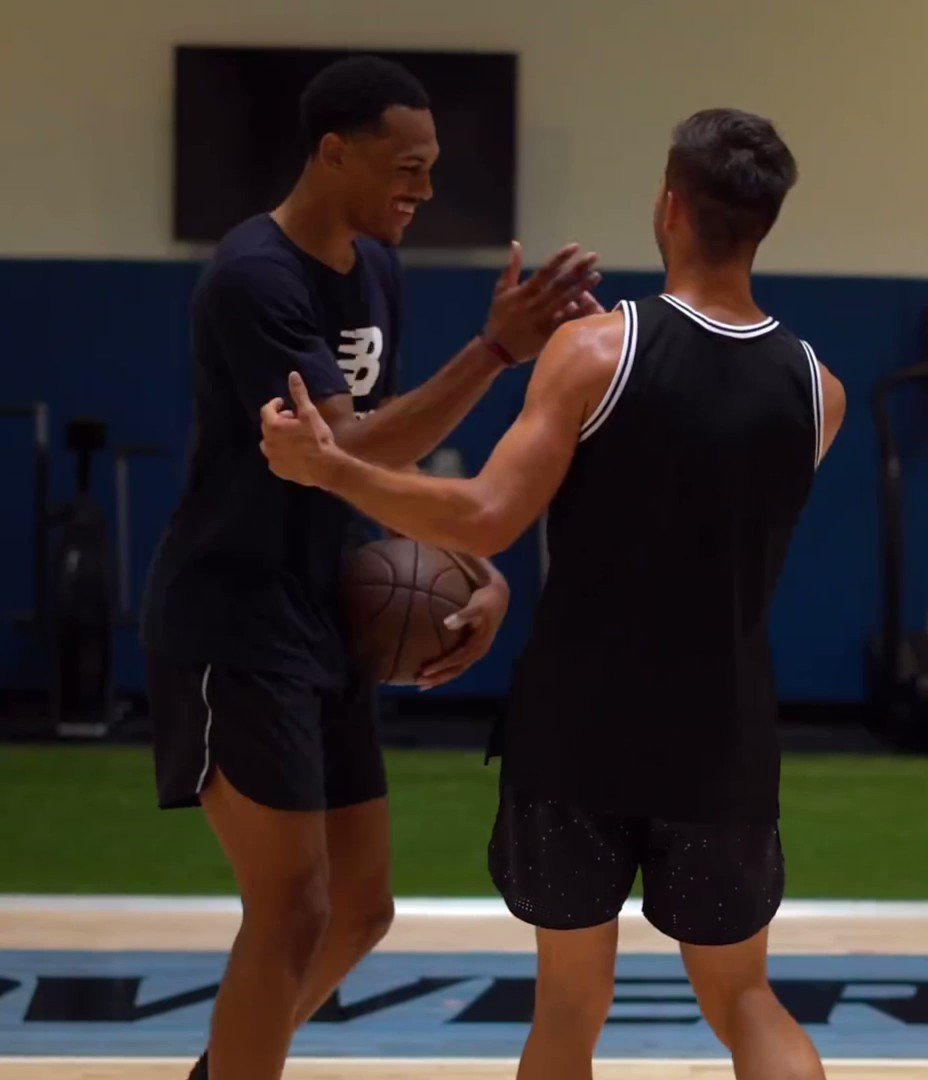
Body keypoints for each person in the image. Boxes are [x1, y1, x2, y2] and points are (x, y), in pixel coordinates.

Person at [261, 107, 845, 1080]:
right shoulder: (818, 387)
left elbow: (487, 516)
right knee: (744, 999)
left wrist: (334, 471)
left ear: (668, 207)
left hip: (579, 731)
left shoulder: (591, 354)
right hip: (723, 731)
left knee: (571, 1006)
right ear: (764, 222)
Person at [140, 55, 601, 1080]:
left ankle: (224, 1069)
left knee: (361, 909)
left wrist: (465, 564)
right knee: (294, 907)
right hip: (233, 615)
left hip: (323, 609)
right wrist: (494, 353)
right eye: (408, 168)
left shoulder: (375, 267)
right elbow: (355, 453)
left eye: (433, 170)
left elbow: (366, 472)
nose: (425, 191)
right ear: (333, 152)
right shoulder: (253, 278)